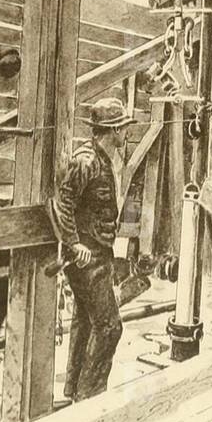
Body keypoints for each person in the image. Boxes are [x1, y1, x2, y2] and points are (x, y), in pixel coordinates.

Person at [54, 97, 135, 402]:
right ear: (113, 130)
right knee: (110, 327)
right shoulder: (87, 160)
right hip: (87, 257)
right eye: (122, 128)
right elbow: (63, 203)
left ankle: (74, 388)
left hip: (97, 252)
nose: (125, 133)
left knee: (86, 321)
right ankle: (91, 394)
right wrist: (73, 243)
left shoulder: (101, 158)